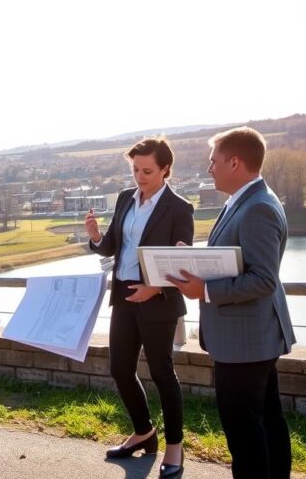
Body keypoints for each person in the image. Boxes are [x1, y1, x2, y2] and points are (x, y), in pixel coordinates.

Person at [167, 126, 296, 479]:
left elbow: (263, 279)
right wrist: (194, 259)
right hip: (252, 338)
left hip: (247, 342)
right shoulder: (245, 200)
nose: (210, 169)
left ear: (235, 162)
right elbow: (236, 260)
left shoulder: (258, 208)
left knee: (244, 430)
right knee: (267, 420)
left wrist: (203, 291)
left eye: (214, 162)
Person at [86, 137, 193, 479]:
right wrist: (96, 237)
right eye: (135, 169)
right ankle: (144, 431)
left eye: (147, 170)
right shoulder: (124, 199)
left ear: (165, 169)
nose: (139, 176)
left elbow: (183, 262)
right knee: (119, 368)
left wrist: (154, 288)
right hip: (124, 296)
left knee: (162, 374)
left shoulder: (179, 208)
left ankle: (174, 447)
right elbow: (112, 247)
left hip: (159, 301)